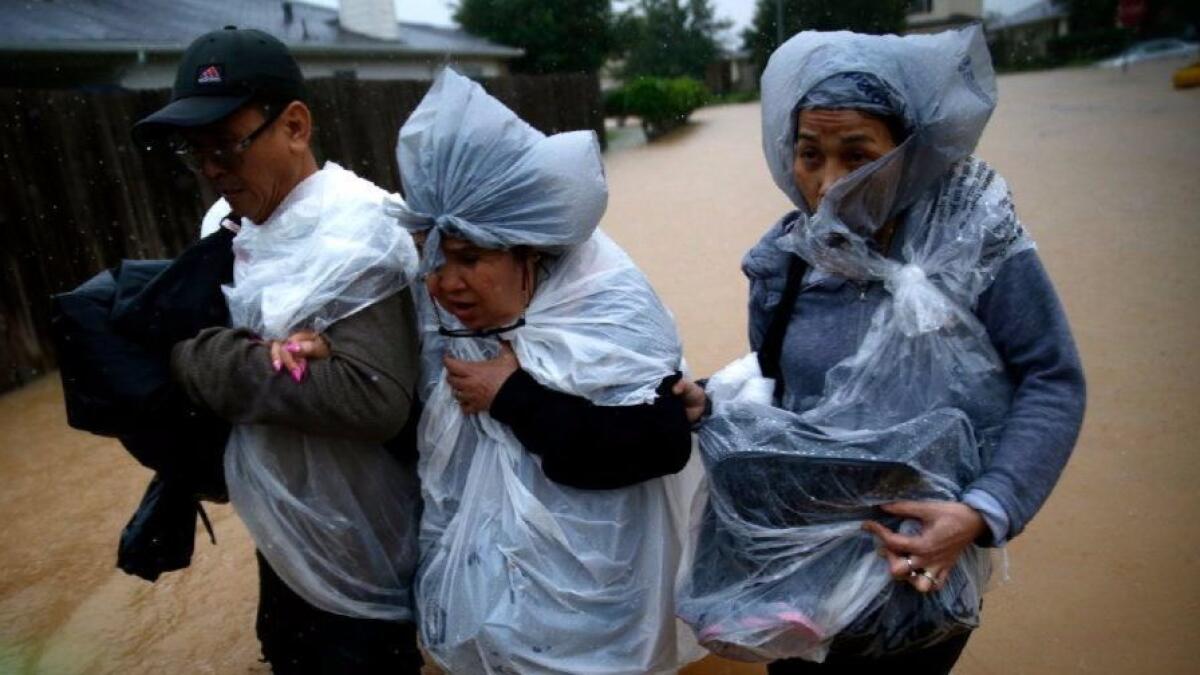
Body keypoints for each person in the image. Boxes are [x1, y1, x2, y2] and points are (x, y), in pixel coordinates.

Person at [675, 26, 1086, 674]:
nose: (830, 182)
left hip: (918, 568)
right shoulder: (782, 264)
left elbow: (1052, 378)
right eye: (810, 154)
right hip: (792, 581)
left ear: (907, 152)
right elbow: (785, 395)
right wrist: (714, 403)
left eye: (858, 154)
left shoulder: (970, 243)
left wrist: (983, 511)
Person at [303, 68, 698, 674]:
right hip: (487, 576)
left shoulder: (608, 306)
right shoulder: (441, 309)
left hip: (594, 593)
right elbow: (407, 399)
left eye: (470, 258)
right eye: (434, 258)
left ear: (528, 247)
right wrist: (334, 351)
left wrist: (513, 396)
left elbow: (656, 445)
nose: (446, 282)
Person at [133, 27, 424, 673]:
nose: (211, 167)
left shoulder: (363, 231)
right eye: (195, 149)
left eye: (225, 144)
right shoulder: (226, 221)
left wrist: (196, 360)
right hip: (278, 520)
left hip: (363, 530)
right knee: (285, 648)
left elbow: (373, 399)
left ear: (294, 125)